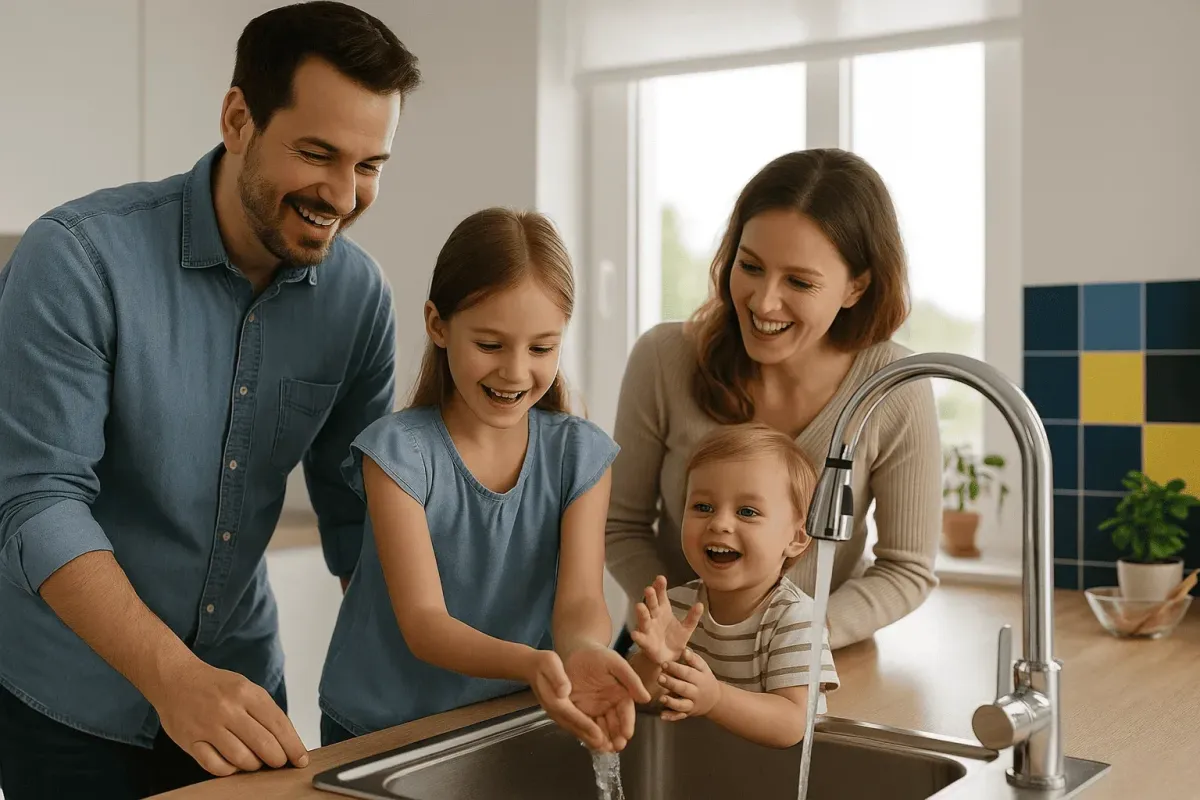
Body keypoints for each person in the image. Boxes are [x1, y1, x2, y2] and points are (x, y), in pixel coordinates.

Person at [0, 4, 420, 798]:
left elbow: (357, 514)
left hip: (240, 686)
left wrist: (421, 674)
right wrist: (175, 677)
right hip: (67, 702)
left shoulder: (359, 299)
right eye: (317, 153)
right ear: (237, 120)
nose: (342, 194)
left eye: (369, 164)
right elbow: (37, 501)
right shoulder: (78, 259)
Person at [317, 208, 650, 753]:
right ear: (437, 325)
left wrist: (585, 649)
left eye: (541, 348)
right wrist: (531, 662)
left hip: (506, 714)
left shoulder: (580, 455)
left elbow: (579, 602)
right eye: (491, 345)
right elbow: (424, 623)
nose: (515, 371)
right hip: (379, 727)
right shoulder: (397, 454)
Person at [606, 148, 942, 652]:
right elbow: (621, 525)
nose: (763, 302)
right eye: (750, 266)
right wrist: (680, 623)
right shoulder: (663, 358)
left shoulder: (894, 387)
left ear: (856, 287)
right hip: (672, 651)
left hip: (811, 660)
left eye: (799, 282)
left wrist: (800, 638)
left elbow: (906, 568)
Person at [626, 423, 839, 748]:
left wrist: (715, 699)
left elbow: (793, 723)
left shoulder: (798, 620)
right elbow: (638, 700)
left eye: (747, 512)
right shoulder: (676, 608)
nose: (720, 523)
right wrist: (653, 662)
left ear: (796, 538)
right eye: (703, 507)